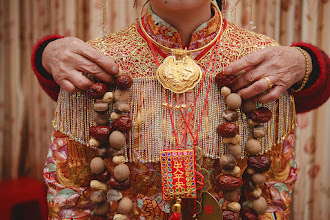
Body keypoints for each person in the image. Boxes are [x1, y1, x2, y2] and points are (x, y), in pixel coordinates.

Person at [32, 0, 329, 219]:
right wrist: (46, 52)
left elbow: (273, 191)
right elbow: (71, 193)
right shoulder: (96, 61)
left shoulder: (265, 61)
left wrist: (307, 62)